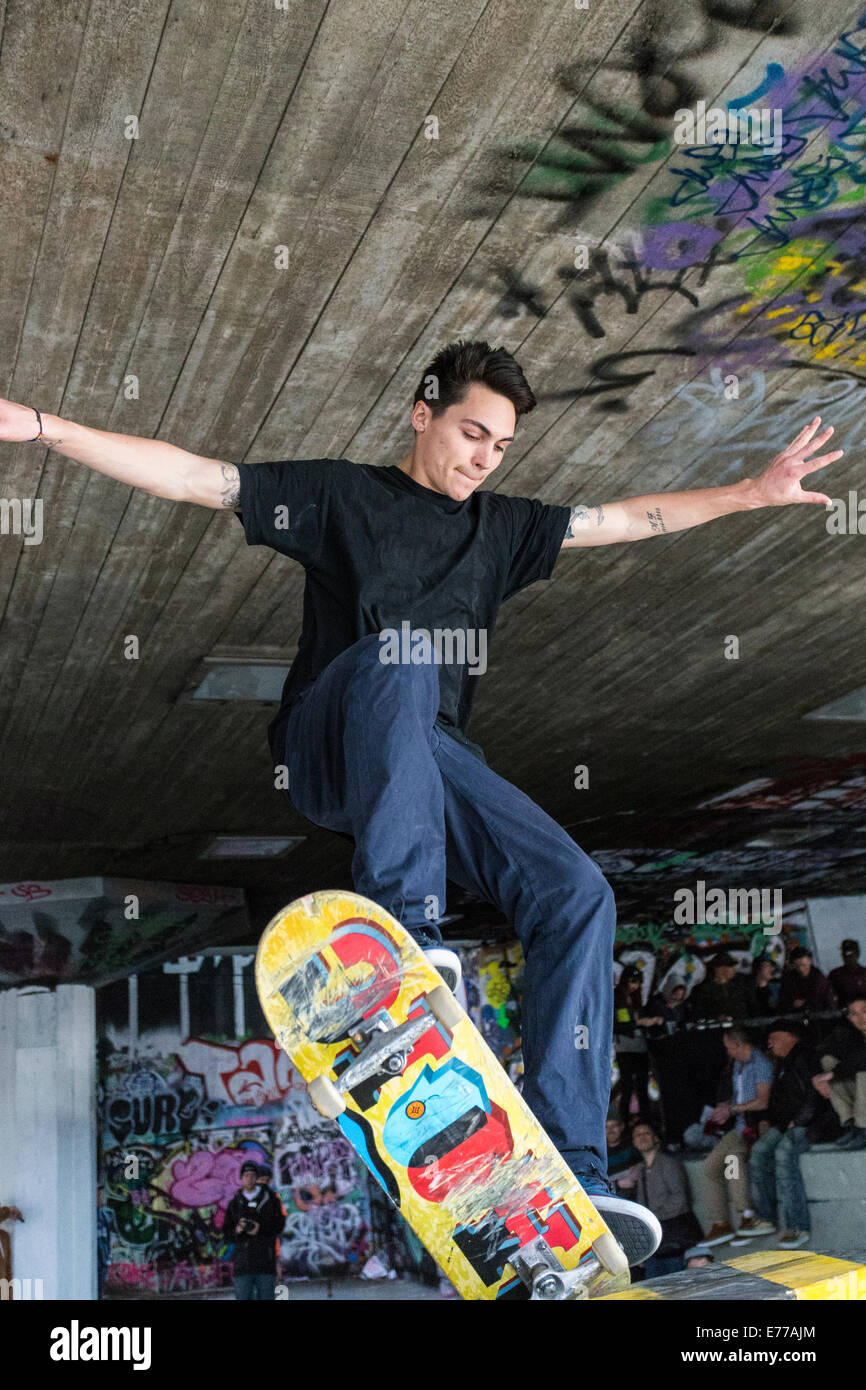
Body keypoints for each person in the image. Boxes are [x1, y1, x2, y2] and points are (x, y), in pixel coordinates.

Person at [0, 354, 838, 1268]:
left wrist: (750, 494)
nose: (484, 459)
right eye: (471, 433)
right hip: (334, 739)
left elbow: (632, 516)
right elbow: (201, 476)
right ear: (421, 415)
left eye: (502, 447)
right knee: (402, 652)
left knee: (577, 893)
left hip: (433, 761)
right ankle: (404, 940)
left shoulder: (506, 529)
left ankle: (578, 1165)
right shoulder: (339, 497)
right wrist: (50, 428)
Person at [746, 1021, 823, 1249]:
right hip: (784, 1125)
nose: (771, 1043)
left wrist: (799, 1121)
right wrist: (767, 1121)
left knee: (784, 1154)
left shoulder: (806, 1056)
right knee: (758, 1152)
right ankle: (766, 1218)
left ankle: (797, 1225)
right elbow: (779, 1099)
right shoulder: (780, 1063)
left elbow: (814, 1096)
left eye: (775, 1037)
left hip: (808, 1124)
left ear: (792, 1037)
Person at [700, 1027, 772, 1246]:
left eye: (729, 1047)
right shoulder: (738, 1066)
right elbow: (739, 1097)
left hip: (753, 1127)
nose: (727, 1051)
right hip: (740, 1126)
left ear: (739, 1045)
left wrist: (731, 1110)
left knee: (723, 1163)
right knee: (721, 1165)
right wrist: (724, 1109)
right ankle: (731, 1221)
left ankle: (739, 1218)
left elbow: (762, 1101)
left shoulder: (760, 1064)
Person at [631, 1120, 703, 1279]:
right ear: (634, 1142)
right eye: (638, 1135)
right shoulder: (641, 1169)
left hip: (674, 1236)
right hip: (656, 1242)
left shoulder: (668, 1162)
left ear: (655, 1138)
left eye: (646, 1133)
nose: (642, 1137)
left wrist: (654, 1217)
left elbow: (680, 1198)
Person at [223, 1161, 286, 1300]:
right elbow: (226, 1234)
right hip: (242, 1265)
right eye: (246, 1175)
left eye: (252, 1175)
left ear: (256, 1177)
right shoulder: (234, 1203)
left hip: (265, 1262)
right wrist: (237, 1230)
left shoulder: (271, 1200)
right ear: (241, 1178)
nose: (249, 1179)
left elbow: (280, 1225)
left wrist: (260, 1228)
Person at [813, 995, 866, 1151]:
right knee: (828, 1061)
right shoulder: (855, 1037)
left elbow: (862, 1058)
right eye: (854, 1014)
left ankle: (863, 1127)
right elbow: (826, 1051)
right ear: (849, 1018)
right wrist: (818, 1079)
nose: (861, 1017)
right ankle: (851, 1123)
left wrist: (832, 1075)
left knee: (863, 1072)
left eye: (864, 1011)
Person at [613, 967, 662, 1125]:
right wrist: (640, 1023)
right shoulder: (616, 999)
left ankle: (646, 1122)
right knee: (626, 1086)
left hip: (640, 1047)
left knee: (642, 1086)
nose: (635, 986)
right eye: (632, 982)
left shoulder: (636, 1000)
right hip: (624, 1048)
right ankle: (624, 1123)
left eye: (638, 983)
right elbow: (618, 1025)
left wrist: (650, 1022)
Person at [687, 953, 757, 1021]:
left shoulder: (741, 984)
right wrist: (716, 1017)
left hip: (740, 1025)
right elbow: (699, 1012)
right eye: (730, 966)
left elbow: (750, 1006)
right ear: (720, 969)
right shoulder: (704, 989)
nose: (733, 969)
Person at [777, 947, 837, 1014]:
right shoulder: (788, 979)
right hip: (794, 1018)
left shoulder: (821, 981)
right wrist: (792, 1005)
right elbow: (781, 1005)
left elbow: (830, 1007)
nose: (801, 969)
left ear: (810, 961)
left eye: (803, 965)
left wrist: (806, 1005)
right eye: (797, 966)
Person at [605, 1112, 642, 1194]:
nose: (610, 1130)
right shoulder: (601, 1155)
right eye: (606, 1127)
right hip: (614, 1200)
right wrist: (618, 1184)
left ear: (621, 1127)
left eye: (613, 1125)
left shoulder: (633, 1146)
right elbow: (599, 1185)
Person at [827, 940, 866, 1007]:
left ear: (857, 954)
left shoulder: (864, 973)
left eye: (850, 954)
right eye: (844, 955)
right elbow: (828, 997)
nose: (848, 958)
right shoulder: (835, 975)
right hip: (844, 1014)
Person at [96, 1186, 117, 1300]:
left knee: (99, 1289)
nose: (100, 1198)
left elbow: (109, 1235)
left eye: (99, 1194)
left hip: (102, 1259)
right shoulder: (85, 1216)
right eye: (97, 1195)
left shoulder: (105, 1215)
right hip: (93, 1261)